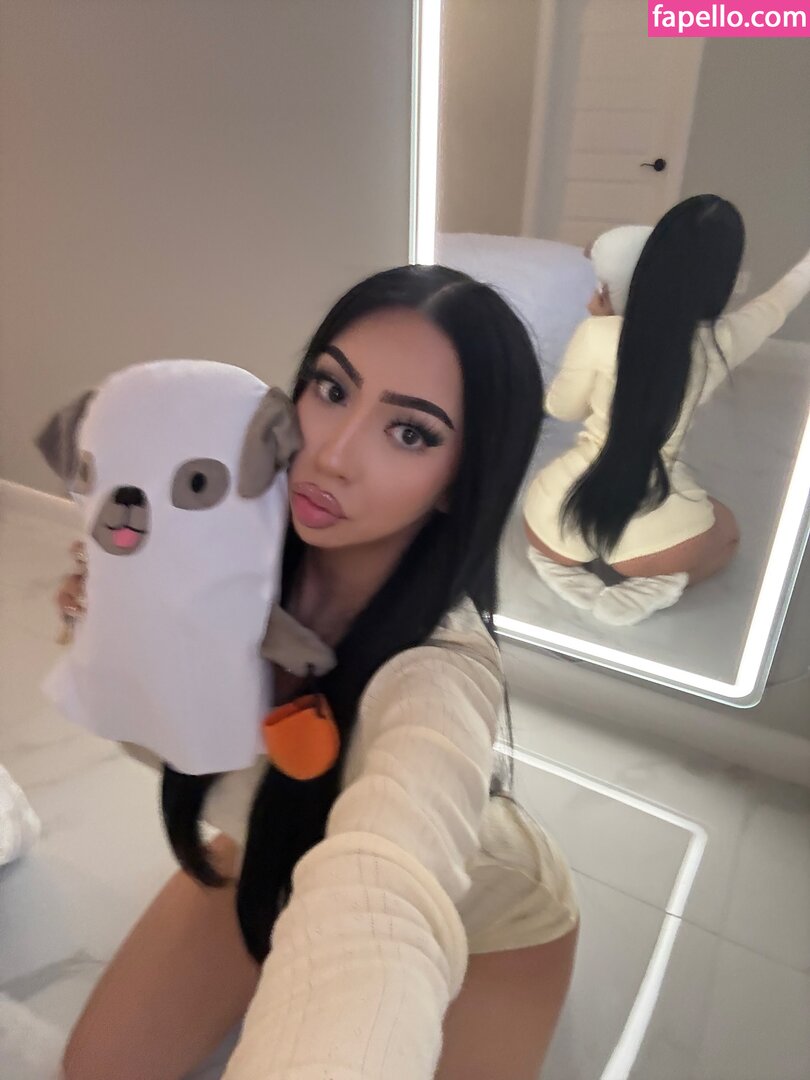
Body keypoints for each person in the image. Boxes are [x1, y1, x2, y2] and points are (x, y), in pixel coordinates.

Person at [56, 265, 579, 1080]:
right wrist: (120, 639)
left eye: (411, 433)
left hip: (490, 919)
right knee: (96, 1069)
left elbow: (386, 897)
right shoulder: (217, 545)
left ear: (458, 483)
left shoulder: (441, 676)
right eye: (332, 390)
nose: (332, 456)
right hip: (274, 842)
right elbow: (173, 744)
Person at [524, 195, 810, 626]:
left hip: (555, 516)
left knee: (551, 525)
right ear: (725, 279)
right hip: (651, 531)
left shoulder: (600, 333)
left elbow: (560, 407)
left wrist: (597, 325)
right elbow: (777, 304)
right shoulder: (720, 343)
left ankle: (559, 567)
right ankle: (651, 584)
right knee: (728, 532)